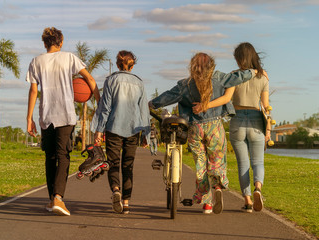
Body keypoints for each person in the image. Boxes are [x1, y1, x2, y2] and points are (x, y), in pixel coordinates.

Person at [149, 52, 256, 214]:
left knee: (201, 164)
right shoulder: (219, 77)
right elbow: (239, 77)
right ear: (211, 65)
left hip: (194, 128)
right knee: (217, 160)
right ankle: (218, 187)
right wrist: (254, 71)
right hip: (215, 127)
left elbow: (168, 96)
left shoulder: (185, 84)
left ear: (192, 66)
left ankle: (206, 204)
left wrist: (152, 103)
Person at [26, 27, 100, 216]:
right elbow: (89, 79)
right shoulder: (69, 57)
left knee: (50, 157)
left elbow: (34, 91)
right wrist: (99, 104)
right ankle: (58, 198)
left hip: (46, 115)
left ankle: (53, 199)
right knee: (63, 156)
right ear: (61, 42)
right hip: (65, 115)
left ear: (44, 43)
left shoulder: (36, 61)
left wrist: (29, 118)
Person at [193, 43, 269, 213]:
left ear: (239, 58)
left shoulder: (234, 76)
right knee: (258, 161)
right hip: (257, 120)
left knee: (243, 163)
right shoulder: (263, 77)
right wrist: (269, 130)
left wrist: (205, 105)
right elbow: (266, 106)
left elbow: (226, 99)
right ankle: (258, 188)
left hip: (237, 121)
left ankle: (248, 200)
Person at [92, 50, 150, 214]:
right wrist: (146, 134)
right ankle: (125, 203)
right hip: (134, 129)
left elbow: (105, 109)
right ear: (132, 66)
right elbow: (143, 111)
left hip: (113, 127)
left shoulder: (111, 80)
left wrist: (98, 130)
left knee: (113, 163)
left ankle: (116, 189)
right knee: (128, 166)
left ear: (117, 65)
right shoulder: (139, 83)